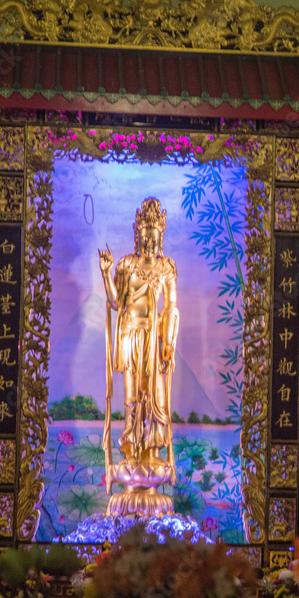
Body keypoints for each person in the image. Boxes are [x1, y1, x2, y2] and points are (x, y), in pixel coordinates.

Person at [98, 197, 179, 511]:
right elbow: (117, 302)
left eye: (154, 234)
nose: (149, 239)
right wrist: (106, 273)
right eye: (144, 234)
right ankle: (132, 449)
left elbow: (172, 306)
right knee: (132, 397)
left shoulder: (166, 266)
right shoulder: (126, 265)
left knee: (154, 396)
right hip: (132, 334)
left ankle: (153, 451)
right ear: (137, 234)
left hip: (155, 339)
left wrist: (168, 340)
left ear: (161, 236)